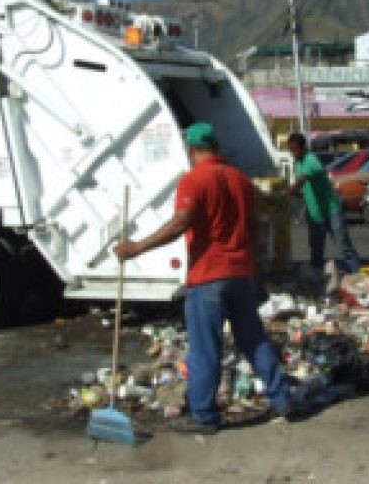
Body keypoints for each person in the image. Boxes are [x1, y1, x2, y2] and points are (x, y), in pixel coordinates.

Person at [115, 122, 294, 434]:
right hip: (241, 274)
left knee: (204, 349)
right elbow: (253, 229)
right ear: (217, 146)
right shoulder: (240, 179)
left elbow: (180, 222)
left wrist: (136, 248)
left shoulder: (193, 180)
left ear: (191, 149)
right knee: (253, 340)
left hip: (208, 276)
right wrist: (258, 275)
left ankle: (205, 417)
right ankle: (282, 398)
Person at [287, 133, 361, 279]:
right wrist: (299, 195)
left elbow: (303, 179)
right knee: (316, 248)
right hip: (315, 213)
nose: (294, 153)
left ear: (304, 148)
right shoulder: (297, 164)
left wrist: (289, 190)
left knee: (343, 244)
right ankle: (317, 277)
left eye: (296, 150)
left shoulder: (311, 159)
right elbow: (304, 189)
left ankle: (357, 273)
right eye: (291, 150)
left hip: (331, 210)